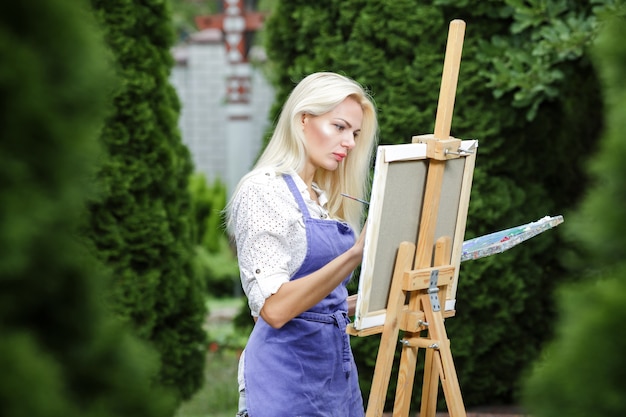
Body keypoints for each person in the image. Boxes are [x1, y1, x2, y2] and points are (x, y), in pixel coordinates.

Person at [226, 72, 378, 417]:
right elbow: (275, 309)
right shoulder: (265, 191)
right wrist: (356, 253)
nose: (350, 142)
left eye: (354, 133)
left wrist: (381, 298)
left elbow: (319, 304)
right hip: (285, 378)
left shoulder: (322, 199)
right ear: (303, 119)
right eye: (339, 127)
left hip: (334, 372)